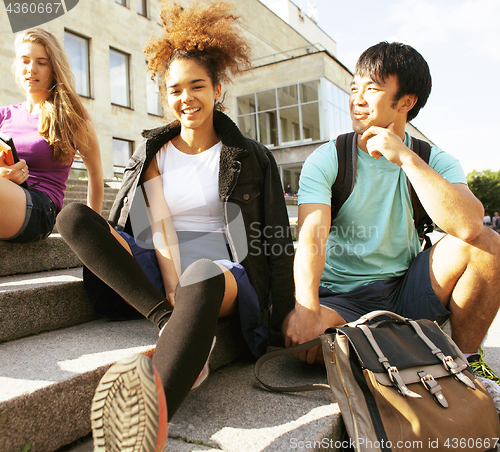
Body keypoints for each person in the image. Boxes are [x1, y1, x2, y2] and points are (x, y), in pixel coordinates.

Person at [56, 2, 294, 450]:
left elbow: (277, 239)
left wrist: (289, 313)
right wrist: (170, 298)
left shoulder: (249, 156)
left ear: (217, 88)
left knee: (200, 275)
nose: (186, 98)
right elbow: (158, 227)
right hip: (164, 269)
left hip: (222, 271)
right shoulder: (153, 153)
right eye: (175, 89)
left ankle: (147, 420)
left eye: (197, 86)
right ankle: (170, 323)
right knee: (72, 217)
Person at [285, 42, 500, 410]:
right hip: (344, 297)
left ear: (405, 102)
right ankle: (407, 343)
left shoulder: (434, 160)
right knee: (310, 346)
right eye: (354, 88)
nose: (357, 98)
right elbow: (311, 236)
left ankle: (466, 363)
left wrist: (405, 158)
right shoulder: (329, 157)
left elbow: (468, 226)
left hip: (407, 288)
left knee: (489, 245)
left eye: (371, 88)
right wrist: (306, 307)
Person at [0, 28, 103, 243]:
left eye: (41, 62)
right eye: (25, 60)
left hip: (39, 208)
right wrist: (4, 174)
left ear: (54, 68)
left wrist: (95, 231)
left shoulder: (70, 116)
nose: (31, 69)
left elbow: (95, 173)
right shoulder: (4, 115)